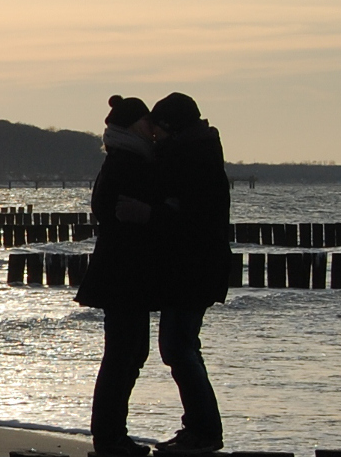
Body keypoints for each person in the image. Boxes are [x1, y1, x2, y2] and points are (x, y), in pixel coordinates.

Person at [118, 92, 231, 454]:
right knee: (181, 348)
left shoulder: (192, 159)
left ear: (171, 128)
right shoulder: (196, 152)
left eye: (159, 130)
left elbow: (195, 222)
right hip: (194, 269)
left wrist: (150, 213)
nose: (155, 137)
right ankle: (198, 428)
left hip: (193, 269)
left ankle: (204, 430)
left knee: (179, 348)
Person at [74, 95, 165, 457]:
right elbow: (118, 215)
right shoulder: (129, 162)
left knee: (127, 352)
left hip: (122, 272)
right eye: (146, 124)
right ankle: (111, 436)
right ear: (131, 127)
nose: (153, 131)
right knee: (124, 354)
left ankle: (112, 434)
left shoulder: (121, 159)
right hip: (124, 273)